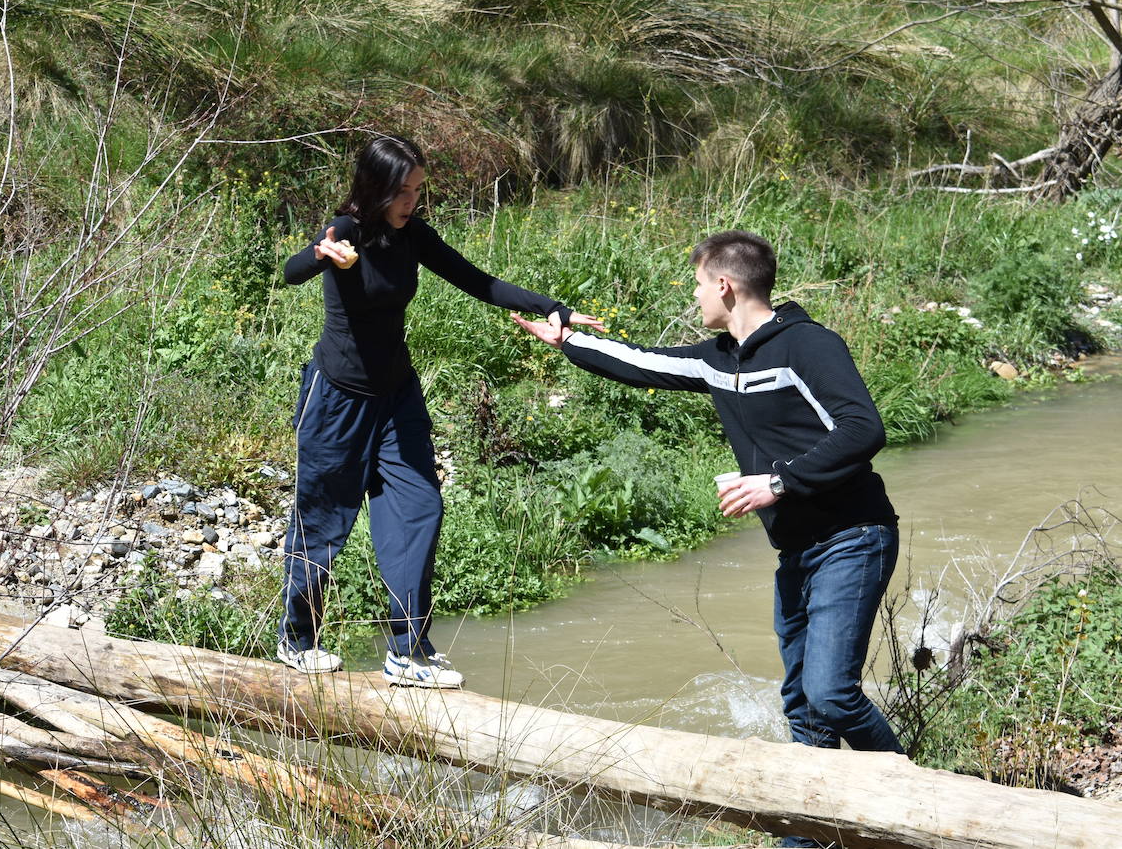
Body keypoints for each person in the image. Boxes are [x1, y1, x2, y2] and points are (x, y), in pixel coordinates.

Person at [512, 230, 902, 848]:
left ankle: (908, 806)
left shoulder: (808, 346)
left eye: (699, 284)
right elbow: (643, 363)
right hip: (799, 551)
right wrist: (568, 340)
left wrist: (779, 481)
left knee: (830, 695)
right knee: (803, 706)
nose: (696, 296)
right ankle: (807, 839)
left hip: (853, 537)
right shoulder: (720, 359)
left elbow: (863, 428)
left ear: (725, 285)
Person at [277, 135, 602, 688]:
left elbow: (478, 282)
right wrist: (318, 254)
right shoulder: (348, 230)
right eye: (402, 192)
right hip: (336, 399)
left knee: (420, 505)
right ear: (376, 188)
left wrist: (553, 308)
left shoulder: (414, 236)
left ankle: (407, 650)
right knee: (325, 518)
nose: (412, 202)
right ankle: (299, 636)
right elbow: (291, 270)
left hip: (397, 395)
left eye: (418, 191)